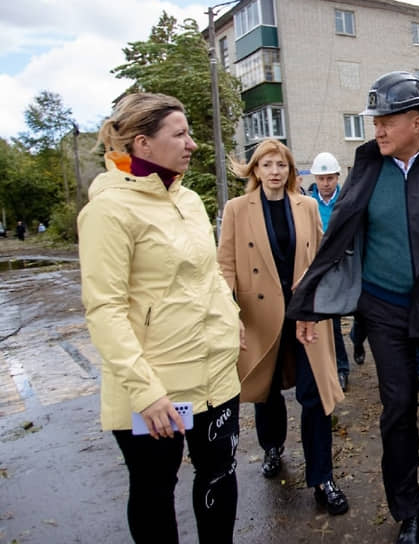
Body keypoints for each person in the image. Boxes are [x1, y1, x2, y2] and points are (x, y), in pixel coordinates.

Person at [287, 71, 419, 544]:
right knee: (397, 407)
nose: (375, 130)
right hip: (382, 309)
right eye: (373, 120)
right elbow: (334, 244)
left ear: (417, 122)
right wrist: (309, 307)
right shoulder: (366, 171)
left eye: (385, 121)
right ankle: (408, 509)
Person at [78, 93, 242, 542]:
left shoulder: (187, 200)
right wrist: (147, 394)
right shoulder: (109, 211)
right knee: (154, 491)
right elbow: (104, 309)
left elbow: (205, 276)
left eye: (189, 133)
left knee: (219, 478)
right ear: (141, 144)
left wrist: (230, 322)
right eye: (180, 134)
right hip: (155, 393)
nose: (192, 144)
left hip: (216, 378)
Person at [218, 139, 348, 515]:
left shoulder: (306, 207)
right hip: (260, 316)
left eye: (281, 165)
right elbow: (225, 263)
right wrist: (227, 309)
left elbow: (323, 256)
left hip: (306, 316)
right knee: (267, 390)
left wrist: (316, 281)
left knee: (315, 397)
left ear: (291, 171)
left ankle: (323, 477)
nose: (275, 171)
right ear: (255, 171)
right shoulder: (237, 209)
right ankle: (272, 447)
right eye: (267, 164)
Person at [307, 151, 352, 391]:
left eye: (330, 178)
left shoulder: (347, 201)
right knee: (332, 323)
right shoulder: (307, 203)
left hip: (347, 267)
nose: (326, 184)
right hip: (323, 271)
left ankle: (358, 338)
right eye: (321, 179)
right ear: (315, 178)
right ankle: (341, 369)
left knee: (365, 315)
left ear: (337, 177)